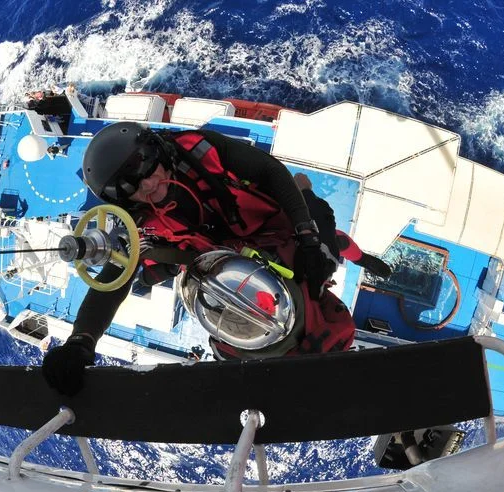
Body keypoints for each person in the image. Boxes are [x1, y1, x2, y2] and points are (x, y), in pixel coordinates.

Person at [42, 122, 391, 395]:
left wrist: (309, 237)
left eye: (145, 168)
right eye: (130, 187)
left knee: (329, 252)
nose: (148, 185)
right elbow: (112, 279)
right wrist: (81, 342)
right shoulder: (134, 221)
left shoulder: (202, 149)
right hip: (221, 253)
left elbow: (270, 171)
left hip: (271, 223)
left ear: (155, 151)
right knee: (236, 329)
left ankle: (364, 259)